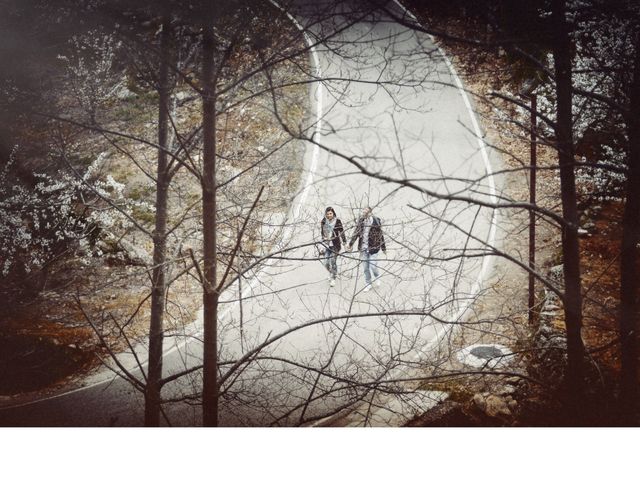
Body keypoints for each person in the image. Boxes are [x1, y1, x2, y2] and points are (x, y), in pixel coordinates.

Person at [347, 206, 386, 291]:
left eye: (366, 211)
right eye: (363, 211)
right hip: (363, 248)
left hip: (373, 247)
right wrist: (350, 244)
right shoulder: (361, 221)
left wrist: (383, 248)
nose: (364, 213)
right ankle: (368, 283)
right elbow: (356, 233)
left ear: (370, 212)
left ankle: (377, 276)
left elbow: (380, 235)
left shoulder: (376, 221)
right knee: (365, 268)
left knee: (372, 265)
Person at [320, 206, 347, 287]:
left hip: (335, 245)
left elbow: (341, 232)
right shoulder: (323, 221)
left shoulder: (337, 221)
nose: (329, 215)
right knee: (326, 263)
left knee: (332, 261)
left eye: (330, 213)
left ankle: (333, 278)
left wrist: (344, 242)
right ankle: (332, 272)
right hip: (327, 245)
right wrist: (323, 240)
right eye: (327, 214)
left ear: (333, 213)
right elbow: (322, 232)